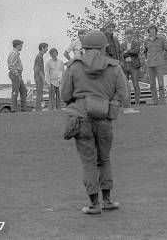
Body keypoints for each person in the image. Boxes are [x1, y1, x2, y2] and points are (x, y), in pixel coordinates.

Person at [61, 30, 130, 215]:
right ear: (103, 47)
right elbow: (124, 94)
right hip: (104, 117)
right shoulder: (114, 67)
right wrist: (111, 104)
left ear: (85, 47)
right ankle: (107, 200)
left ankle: (93, 205)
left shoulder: (74, 66)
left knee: (89, 163)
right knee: (104, 160)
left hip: (81, 118)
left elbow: (65, 94)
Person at [144, 23, 167, 104]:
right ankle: (155, 101)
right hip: (150, 64)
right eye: (150, 29)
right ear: (148, 31)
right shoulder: (146, 40)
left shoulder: (161, 38)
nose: (152, 30)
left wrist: (164, 58)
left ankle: (162, 100)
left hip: (159, 64)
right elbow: (145, 51)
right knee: (152, 84)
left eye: (153, 29)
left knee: (160, 83)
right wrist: (147, 59)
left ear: (156, 30)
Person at [121, 27, 142, 105]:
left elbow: (136, 51)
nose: (128, 36)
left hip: (134, 66)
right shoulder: (122, 44)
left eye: (130, 34)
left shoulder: (136, 43)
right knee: (125, 85)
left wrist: (126, 52)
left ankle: (137, 102)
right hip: (125, 66)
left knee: (135, 84)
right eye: (127, 34)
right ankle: (127, 102)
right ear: (125, 35)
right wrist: (127, 54)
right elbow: (121, 54)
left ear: (132, 35)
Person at [7, 39, 27, 112]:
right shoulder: (14, 53)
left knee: (24, 90)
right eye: (21, 45)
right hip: (15, 74)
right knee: (15, 91)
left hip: (18, 74)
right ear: (17, 45)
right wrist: (17, 74)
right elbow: (11, 65)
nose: (22, 47)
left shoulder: (16, 53)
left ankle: (23, 108)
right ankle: (13, 109)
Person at [34, 42, 49, 111]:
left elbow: (34, 67)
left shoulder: (39, 56)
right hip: (39, 77)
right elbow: (39, 69)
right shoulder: (39, 56)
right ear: (42, 48)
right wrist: (43, 79)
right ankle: (38, 108)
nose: (47, 49)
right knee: (39, 93)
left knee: (39, 92)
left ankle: (38, 108)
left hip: (37, 76)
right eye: (46, 47)